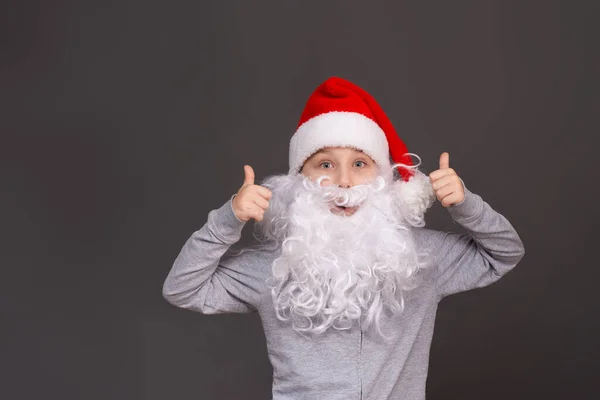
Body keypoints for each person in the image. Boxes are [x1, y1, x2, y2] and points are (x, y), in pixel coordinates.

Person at [162, 76, 526, 399]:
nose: (344, 182)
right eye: (324, 165)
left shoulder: (421, 256)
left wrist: (466, 205)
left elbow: (505, 252)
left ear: (384, 178)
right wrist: (229, 218)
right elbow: (183, 288)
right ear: (298, 179)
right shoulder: (272, 266)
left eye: (359, 164)